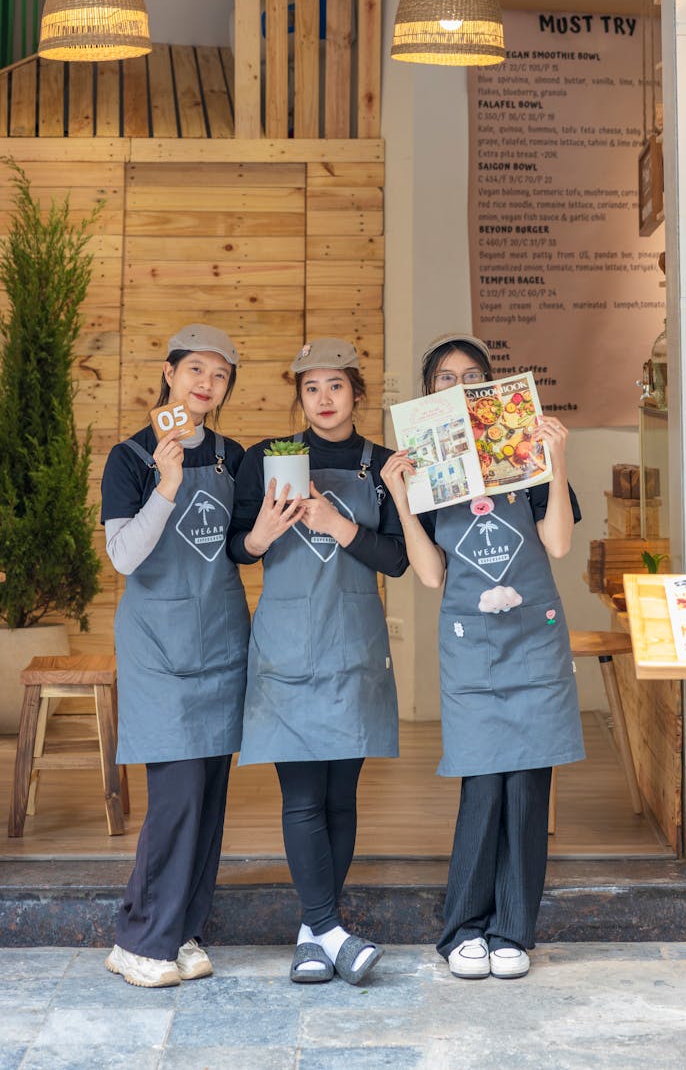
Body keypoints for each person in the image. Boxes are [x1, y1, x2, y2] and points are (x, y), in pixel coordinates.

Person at [382, 333, 584, 981]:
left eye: (471, 375)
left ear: (492, 386)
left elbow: (555, 545)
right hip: (472, 647)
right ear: (429, 390)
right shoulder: (429, 472)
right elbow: (431, 576)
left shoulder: (524, 458)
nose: (459, 385)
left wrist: (555, 459)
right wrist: (400, 500)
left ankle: (512, 933)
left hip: (533, 643)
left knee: (526, 787)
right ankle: (462, 929)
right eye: (444, 377)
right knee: (482, 785)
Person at [228, 337, 407, 987]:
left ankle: (313, 935)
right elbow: (238, 551)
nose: (323, 399)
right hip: (287, 646)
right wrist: (264, 532)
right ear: (298, 396)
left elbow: (397, 560)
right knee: (302, 794)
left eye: (336, 386)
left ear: (357, 394)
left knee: (340, 797)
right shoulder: (266, 462)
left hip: (353, 646)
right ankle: (327, 927)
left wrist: (339, 526)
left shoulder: (383, 467)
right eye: (311, 388)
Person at [101, 324, 249, 988]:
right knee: (176, 794)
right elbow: (124, 556)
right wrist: (164, 484)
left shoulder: (230, 456)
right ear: (169, 373)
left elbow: (240, 546)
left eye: (218, 376)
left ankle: (181, 927)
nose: (204, 383)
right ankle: (139, 938)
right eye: (195, 369)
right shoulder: (130, 457)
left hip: (218, 636)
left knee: (209, 796)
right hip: (158, 645)